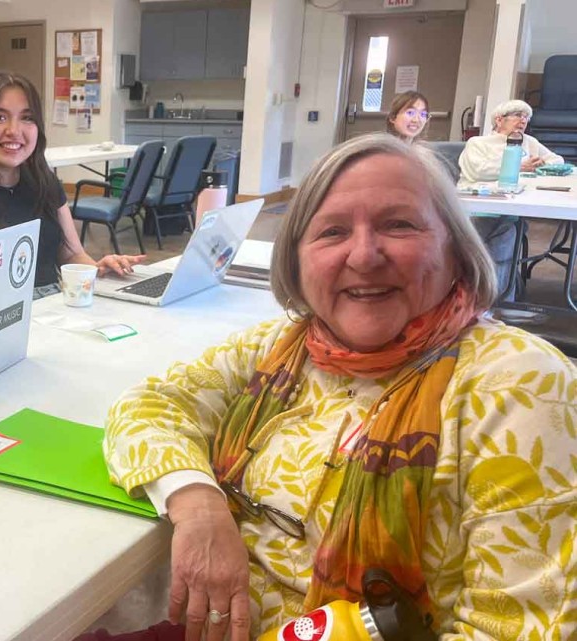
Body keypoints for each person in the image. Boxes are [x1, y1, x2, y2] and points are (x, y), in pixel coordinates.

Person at [100, 134, 576, 641]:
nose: (365, 255)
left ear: (456, 250)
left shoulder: (520, 387)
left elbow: (519, 630)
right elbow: (148, 406)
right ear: (298, 263)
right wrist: (198, 503)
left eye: (399, 224)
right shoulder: (281, 349)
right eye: (332, 232)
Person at [0, 71, 143, 297]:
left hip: (52, 311)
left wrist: (97, 270)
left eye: (27, 118)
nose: (14, 131)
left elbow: (71, 255)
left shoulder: (46, 184)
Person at [458, 100, 564, 304]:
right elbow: (478, 171)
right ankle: (501, 302)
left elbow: (557, 160)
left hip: (510, 207)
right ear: (499, 120)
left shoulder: (529, 142)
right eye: (517, 115)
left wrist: (541, 163)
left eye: (526, 117)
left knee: (509, 229)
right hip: (477, 209)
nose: (522, 120)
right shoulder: (478, 143)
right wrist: (519, 166)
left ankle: (492, 301)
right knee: (508, 232)